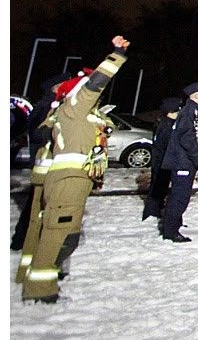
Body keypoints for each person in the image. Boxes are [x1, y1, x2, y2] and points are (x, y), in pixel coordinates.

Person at [23, 37, 130, 302]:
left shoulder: (76, 113)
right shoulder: (74, 106)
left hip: (75, 178)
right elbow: (95, 83)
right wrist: (117, 55)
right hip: (69, 179)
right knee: (57, 232)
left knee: (61, 231)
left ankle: (45, 275)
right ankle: (40, 289)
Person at [11, 74, 70, 253]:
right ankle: (22, 240)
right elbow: (38, 133)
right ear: (55, 88)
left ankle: (22, 239)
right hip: (44, 162)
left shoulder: (54, 105)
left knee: (37, 204)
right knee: (35, 205)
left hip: (47, 163)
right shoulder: (45, 106)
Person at [161, 82, 198, 243]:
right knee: (179, 197)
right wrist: (197, 158)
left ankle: (175, 223)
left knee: (180, 195)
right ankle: (171, 231)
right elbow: (187, 137)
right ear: (196, 95)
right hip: (183, 163)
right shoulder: (190, 112)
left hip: (184, 161)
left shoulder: (192, 110)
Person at [142, 97, 181, 223]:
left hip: (162, 160)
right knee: (158, 186)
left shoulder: (164, 122)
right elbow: (166, 144)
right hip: (162, 160)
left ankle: (155, 208)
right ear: (170, 111)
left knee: (160, 186)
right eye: (177, 111)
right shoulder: (166, 126)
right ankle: (152, 211)